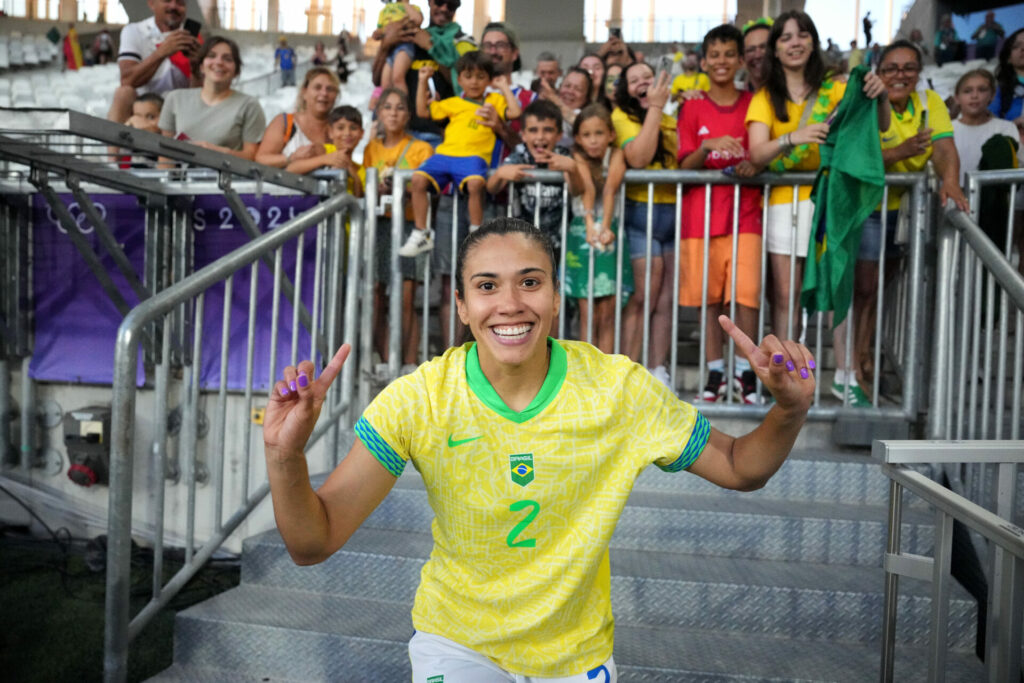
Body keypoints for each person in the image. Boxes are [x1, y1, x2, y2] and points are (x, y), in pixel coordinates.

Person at [263, 216, 817, 683]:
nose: (509, 304)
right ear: (459, 305)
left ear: (557, 296)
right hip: (457, 645)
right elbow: (315, 542)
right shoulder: (419, 399)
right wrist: (284, 456)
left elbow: (741, 468)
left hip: (576, 658)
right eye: (486, 286)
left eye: (530, 282)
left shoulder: (617, 388)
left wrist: (788, 409)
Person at [746, 10, 888, 406]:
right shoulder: (764, 98)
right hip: (782, 204)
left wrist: (881, 96)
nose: (794, 42)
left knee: (838, 283)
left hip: (831, 201)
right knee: (787, 295)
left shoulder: (839, 88)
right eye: (786, 37)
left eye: (802, 35)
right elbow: (757, 154)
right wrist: (794, 137)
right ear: (775, 48)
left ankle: (845, 376)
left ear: (813, 42)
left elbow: (877, 126)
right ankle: (784, 378)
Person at [851, 40, 967, 394]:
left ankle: (867, 350)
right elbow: (856, 157)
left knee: (884, 283)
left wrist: (950, 182)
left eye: (908, 68)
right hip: (866, 207)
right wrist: (902, 151)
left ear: (919, 72)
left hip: (904, 210)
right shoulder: (867, 100)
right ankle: (856, 362)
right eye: (891, 68)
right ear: (878, 71)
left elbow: (944, 148)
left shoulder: (930, 103)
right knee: (865, 286)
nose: (900, 75)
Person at [677, 24, 762, 405]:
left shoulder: (754, 103)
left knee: (745, 297)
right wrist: (707, 145)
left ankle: (745, 372)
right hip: (701, 216)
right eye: (715, 55)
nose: (722, 61)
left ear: (741, 60)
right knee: (710, 299)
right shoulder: (692, 106)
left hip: (746, 213)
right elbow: (684, 163)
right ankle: (715, 369)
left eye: (730, 54)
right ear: (704, 61)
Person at [400, 51, 523, 256]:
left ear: (489, 80)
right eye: (468, 76)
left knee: (476, 184)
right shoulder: (453, 102)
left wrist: (503, 88)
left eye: (481, 77)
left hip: (473, 157)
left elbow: (516, 113)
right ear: (459, 80)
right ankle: (422, 233)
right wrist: (422, 81)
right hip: (445, 155)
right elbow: (422, 112)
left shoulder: (495, 100)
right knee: (418, 180)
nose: (474, 82)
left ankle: (476, 234)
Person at [612, 62, 677, 385]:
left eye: (648, 78)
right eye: (634, 79)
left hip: (676, 211)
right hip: (641, 210)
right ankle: (627, 370)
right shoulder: (621, 116)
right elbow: (638, 157)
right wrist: (654, 108)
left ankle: (657, 370)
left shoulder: (673, 114)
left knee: (665, 298)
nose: (643, 83)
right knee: (644, 295)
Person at [363, 87, 435, 372]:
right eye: (388, 107)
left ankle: (407, 361)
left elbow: (429, 188)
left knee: (406, 294)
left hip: (408, 225)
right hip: (380, 225)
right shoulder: (371, 149)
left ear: (408, 114)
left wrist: (404, 189)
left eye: (400, 107)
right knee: (378, 292)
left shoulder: (421, 149)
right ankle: (383, 359)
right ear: (379, 113)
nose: (393, 113)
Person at [565, 103, 633, 353]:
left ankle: (604, 374)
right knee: (587, 312)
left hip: (609, 232)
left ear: (611, 135)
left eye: (599, 133)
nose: (593, 141)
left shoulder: (616, 154)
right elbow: (589, 192)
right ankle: (587, 375)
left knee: (609, 310)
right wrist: (591, 228)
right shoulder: (576, 156)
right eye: (586, 135)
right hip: (582, 234)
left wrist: (604, 228)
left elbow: (610, 190)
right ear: (577, 138)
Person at [372, 0, 477, 146]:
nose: (444, 8)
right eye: (439, 2)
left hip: (438, 134)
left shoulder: (463, 42)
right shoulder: (409, 36)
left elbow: (466, 88)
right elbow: (377, 80)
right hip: (401, 134)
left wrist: (430, 47)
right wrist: (385, 46)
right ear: (429, 2)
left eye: (451, 5)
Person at [487, 99, 578, 250]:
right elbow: (492, 188)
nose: (540, 137)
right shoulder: (519, 154)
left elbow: (577, 190)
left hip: (557, 241)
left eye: (548, 130)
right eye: (533, 130)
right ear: (523, 135)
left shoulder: (563, 156)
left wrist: (572, 170)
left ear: (559, 135)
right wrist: (500, 174)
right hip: (521, 241)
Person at [158, 36, 266, 161]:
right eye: (211, 56)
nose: (219, 62)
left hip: (225, 178)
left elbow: (252, 156)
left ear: (236, 71)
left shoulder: (249, 105)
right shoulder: (175, 99)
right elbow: (165, 154)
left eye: (228, 59)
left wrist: (216, 152)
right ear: (201, 66)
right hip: (181, 178)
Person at [106, 0, 199, 128]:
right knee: (123, 93)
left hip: (179, 110)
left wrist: (196, 67)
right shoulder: (135, 31)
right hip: (142, 109)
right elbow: (127, 80)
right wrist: (161, 52)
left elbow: (201, 94)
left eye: (180, 3)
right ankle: (113, 147)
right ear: (151, 4)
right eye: (167, 1)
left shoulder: (194, 39)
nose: (173, 6)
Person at [255, 67, 341, 173]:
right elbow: (261, 159)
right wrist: (291, 158)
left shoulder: (340, 130)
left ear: (336, 95)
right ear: (304, 92)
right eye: (317, 88)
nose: (324, 93)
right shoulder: (285, 123)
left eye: (330, 89)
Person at [954, 69, 1019, 183]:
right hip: (953, 199)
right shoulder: (947, 130)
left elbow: (1016, 168)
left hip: (996, 198)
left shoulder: (1006, 128)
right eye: (967, 91)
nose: (974, 96)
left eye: (982, 90)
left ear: (992, 95)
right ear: (957, 98)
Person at [371, 0, 424, 94]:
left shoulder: (413, 7)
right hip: (390, 50)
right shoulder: (385, 10)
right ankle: (391, 104)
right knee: (385, 83)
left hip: (404, 46)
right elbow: (380, 29)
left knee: (397, 78)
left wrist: (405, 4)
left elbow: (417, 20)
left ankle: (403, 106)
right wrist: (378, 33)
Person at [991, 28, 1024, 123]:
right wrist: (1011, 127)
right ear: (1008, 58)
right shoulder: (1000, 88)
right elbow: (991, 120)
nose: (1022, 48)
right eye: (1016, 46)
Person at [742, 17, 772, 93]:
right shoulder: (735, 97)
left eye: (764, 47)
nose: (757, 55)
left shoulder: (794, 94)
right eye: (750, 50)